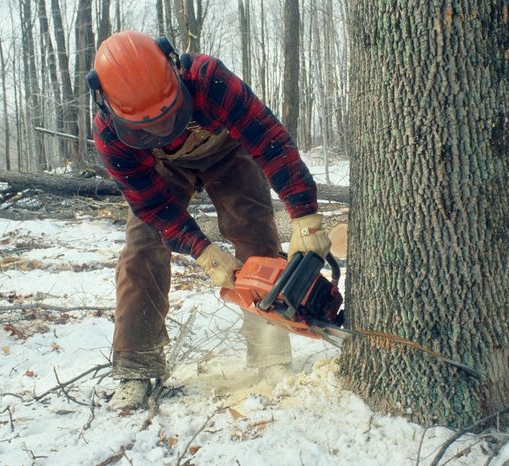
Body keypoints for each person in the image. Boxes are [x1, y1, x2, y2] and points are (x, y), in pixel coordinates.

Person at [87, 31, 331, 410]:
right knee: (142, 248)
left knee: (254, 231)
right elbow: (151, 205)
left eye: (168, 116)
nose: (160, 130)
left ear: (175, 68)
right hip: (161, 168)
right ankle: (136, 364)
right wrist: (202, 251)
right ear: (108, 107)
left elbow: (269, 140)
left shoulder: (209, 79)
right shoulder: (109, 135)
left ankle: (270, 354)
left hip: (226, 150)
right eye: (144, 127)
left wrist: (304, 214)